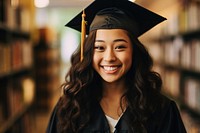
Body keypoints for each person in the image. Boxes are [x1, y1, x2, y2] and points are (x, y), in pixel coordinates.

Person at [46, 0, 187, 132]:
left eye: (120, 47)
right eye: (100, 48)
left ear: (134, 51)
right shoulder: (69, 109)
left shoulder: (161, 110)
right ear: (89, 53)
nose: (109, 58)